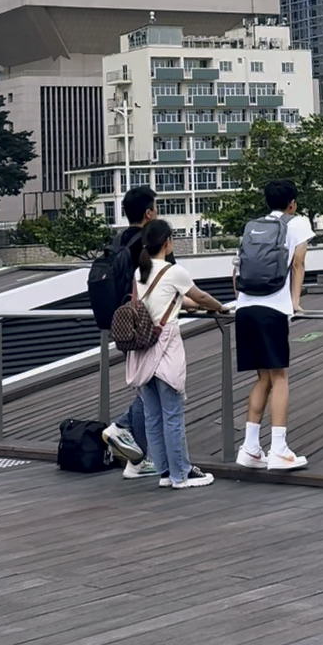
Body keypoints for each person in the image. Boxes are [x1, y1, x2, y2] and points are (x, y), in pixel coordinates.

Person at [127, 218, 230, 490]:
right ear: (168, 242)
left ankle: (163, 472)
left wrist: (186, 303)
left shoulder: (138, 273)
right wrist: (220, 307)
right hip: (166, 347)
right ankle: (180, 474)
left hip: (141, 351)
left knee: (152, 415)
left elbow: (162, 298)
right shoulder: (174, 271)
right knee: (172, 415)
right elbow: (202, 297)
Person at [234, 179, 313, 472]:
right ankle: (278, 449)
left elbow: (237, 269)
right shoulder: (297, 224)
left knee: (262, 378)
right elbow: (298, 264)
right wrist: (294, 302)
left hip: (246, 307)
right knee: (279, 377)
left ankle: (251, 448)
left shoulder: (253, 227)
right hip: (273, 309)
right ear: (292, 203)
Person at [102, 185, 159, 476]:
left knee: (148, 386)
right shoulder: (149, 242)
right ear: (149, 212)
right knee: (155, 389)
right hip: (148, 326)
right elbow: (162, 284)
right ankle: (121, 427)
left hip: (122, 323)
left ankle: (137, 461)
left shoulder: (117, 242)